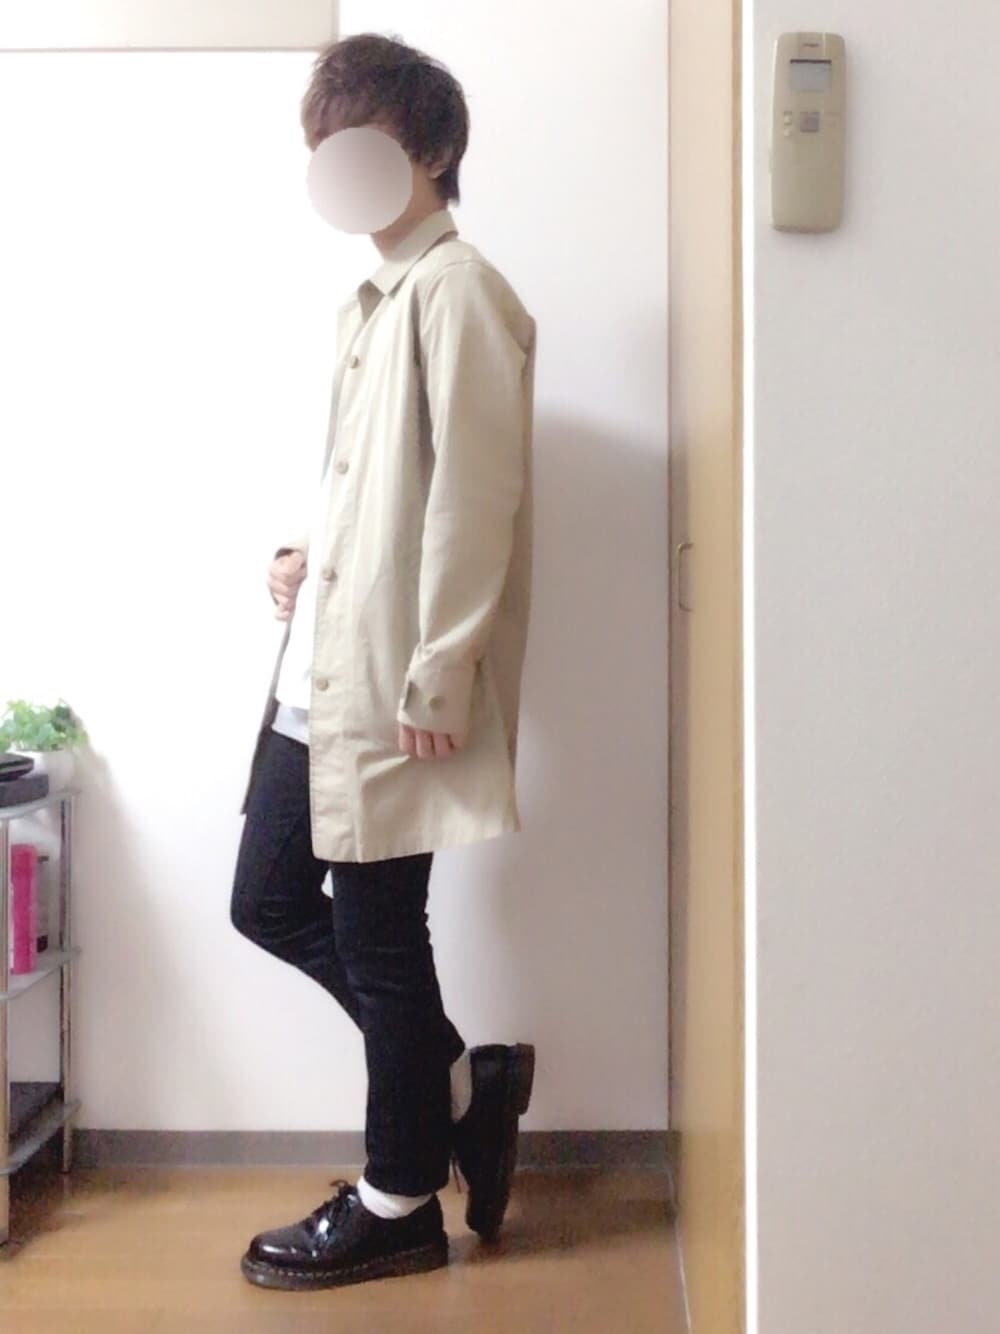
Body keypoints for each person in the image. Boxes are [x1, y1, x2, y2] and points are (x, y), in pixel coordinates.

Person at [229, 32, 537, 1293]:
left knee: (380, 940)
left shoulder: (459, 291)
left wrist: (441, 670)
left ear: (434, 150)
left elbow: (473, 499)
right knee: (267, 900)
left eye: (365, 145)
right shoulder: (374, 302)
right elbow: (378, 491)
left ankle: (399, 1197)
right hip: (322, 672)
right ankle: (465, 1082)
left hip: (391, 687)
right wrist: (306, 551)